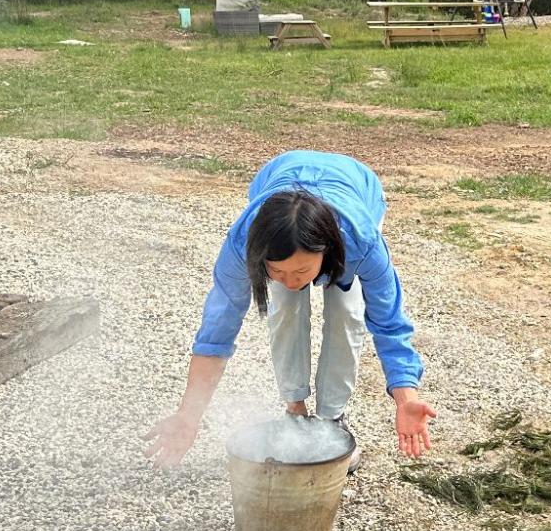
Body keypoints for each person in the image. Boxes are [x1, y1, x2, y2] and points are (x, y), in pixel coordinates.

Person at [143, 151, 437, 468]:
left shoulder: (362, 243)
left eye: (302, 272)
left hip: (357, 189)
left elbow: (389, 324)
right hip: (278, 179)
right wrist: (189, 415)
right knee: (285, 306)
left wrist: (405, 397)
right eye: (277, 272)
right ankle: (294, 409)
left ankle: (332, 419)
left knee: (345, 313)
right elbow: (217, 332)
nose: (292, 281)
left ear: (325, 254)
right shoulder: (242, 244)